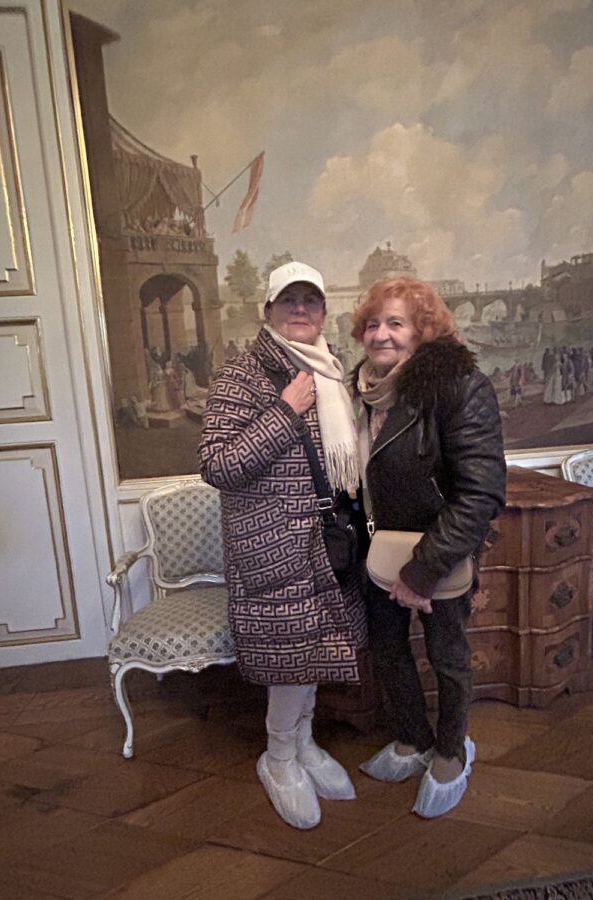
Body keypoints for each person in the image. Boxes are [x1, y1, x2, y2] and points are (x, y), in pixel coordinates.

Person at [198, 261, 366, 830]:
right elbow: (218, 464)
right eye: (288, 299)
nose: (300, 308)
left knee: (312, 649)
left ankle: (304, 743)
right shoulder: (241, 375)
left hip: (328, 540)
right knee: (289, 655)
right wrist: (285, 411)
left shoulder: (332, 370)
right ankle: (277, 757)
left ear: (323, 311)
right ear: (267, 310)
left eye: (310, 300)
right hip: (272, 545)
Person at [351, 277, 505, 818]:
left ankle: (451, 750)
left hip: (438, 553)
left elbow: (481, 491)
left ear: (423, 331)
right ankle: (413, 738)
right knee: (388, 649)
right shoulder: (357, 389)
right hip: (374, 549)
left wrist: (423, 570)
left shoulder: (458, 385)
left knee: (447, 653)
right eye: (373, 324)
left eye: (396, 323)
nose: (381, 334)